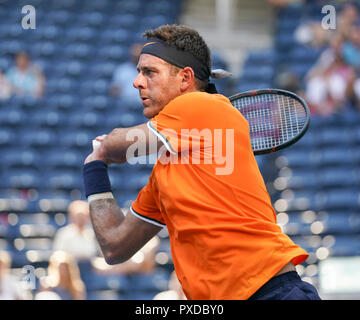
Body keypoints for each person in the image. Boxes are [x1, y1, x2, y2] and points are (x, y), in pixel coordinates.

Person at [82, 24, 321, 300]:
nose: (137, 82)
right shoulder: (162, 176)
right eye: (138, 72)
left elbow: (118, 146)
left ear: (185, 79)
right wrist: (94, 169)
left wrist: (101, 150)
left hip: (270, 292)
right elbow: (114, 247)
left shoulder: (202, 105)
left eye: (149, 72)